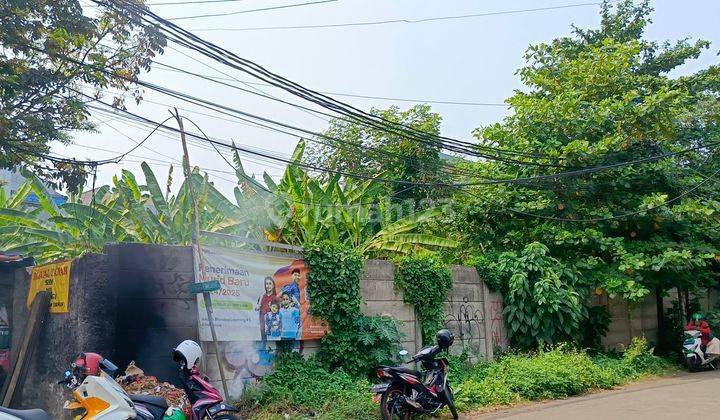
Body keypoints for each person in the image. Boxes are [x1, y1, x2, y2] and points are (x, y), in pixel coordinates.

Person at [256, 276, 276, 340]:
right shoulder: (262, 296)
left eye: (270, 283)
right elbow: (257, 308)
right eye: (266, 284)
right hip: (262, 325)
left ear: (273, 285)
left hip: (271, 326)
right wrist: (257, 307)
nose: (268, 286)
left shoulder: (275, 298)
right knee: (263, 341)